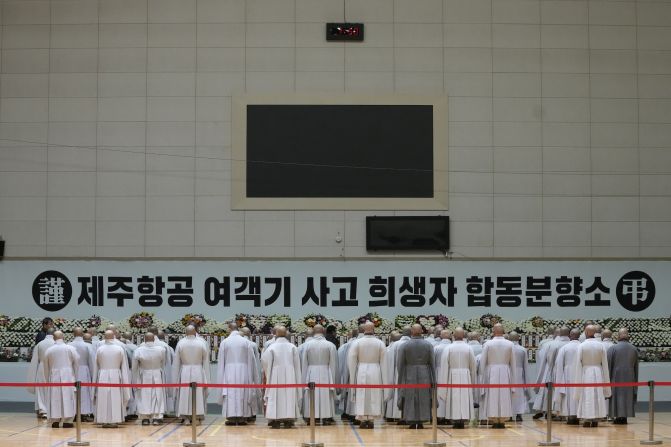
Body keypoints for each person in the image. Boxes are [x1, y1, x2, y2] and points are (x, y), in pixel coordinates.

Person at [216, 324, 259, 426]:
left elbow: (221, 361)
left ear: (229, 329)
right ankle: (242, 417)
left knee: (230, 393)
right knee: (242, 392)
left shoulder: (225, 342)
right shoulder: (245, 342)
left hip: (228, 370)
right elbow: (251, 360)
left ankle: (231, 417)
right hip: (244, 370)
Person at [261, 326, 302, 429]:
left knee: (276, 396)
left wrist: (270, 371)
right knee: (289, 395)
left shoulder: (272, 347)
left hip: (275, 375)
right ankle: (289, 420)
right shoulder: (292, 347)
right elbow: (297, 364)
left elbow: (265, 361)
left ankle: (275, 420)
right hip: (290, 374)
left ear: (276, 334)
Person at [348, 321, 386, 429]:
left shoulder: (357, 343)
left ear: (364, 329)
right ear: (374, 329)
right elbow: (384, 362)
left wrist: (353, 374)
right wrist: (384, 378)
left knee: (361, 394)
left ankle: (363, 419)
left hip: (361, 370)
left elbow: (351, 360)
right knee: (374, 394)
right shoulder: (380, 343)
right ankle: (372, 419)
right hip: (376, 371)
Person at [437, 328, 477, 429]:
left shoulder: (449, 348)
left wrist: (443, 382)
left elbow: (444, 365)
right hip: (465, 376)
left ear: (453, 335)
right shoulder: (469, 348)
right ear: (463, 336)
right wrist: (472, 379)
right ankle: (463, 419)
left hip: (452, 376)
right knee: (464, 397)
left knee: (453, 398)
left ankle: (455, 419)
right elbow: (473, 366)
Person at [479, 323, 517, 429]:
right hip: (505, 371)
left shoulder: (488, 344)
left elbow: (482, 362)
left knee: (492, 395)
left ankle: (495, 419)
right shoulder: (510, 344)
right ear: (503, 331)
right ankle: (503, 419)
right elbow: (513, 363)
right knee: (504, 395)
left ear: (493, 331)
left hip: (492, 371)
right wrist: (513, 380)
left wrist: (482, 376)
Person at [397, 324, 434, 429]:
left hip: (409, 373)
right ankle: (422, 419)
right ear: (422, 331)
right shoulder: (428, 345)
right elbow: (432, 363)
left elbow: (400, 364)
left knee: (410, 397)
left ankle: (411, 420)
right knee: (424, 397)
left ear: (411, 332)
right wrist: (433, 380)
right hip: (425, 373)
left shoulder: (405, 345)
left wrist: (401, 378)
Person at [574, 324, 611, 427]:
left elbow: (578, 364)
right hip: (598, 372)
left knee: (587, 395)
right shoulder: (601, 345)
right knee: (597, 395)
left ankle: (587, 419)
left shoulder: (581, 345)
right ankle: (596, 419)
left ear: (585, 333)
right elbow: (605, 364)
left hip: (586, 373)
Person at [93, 330, 131, 428]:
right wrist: (124, 380)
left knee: (103, 397)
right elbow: (124, 367)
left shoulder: (100, 349)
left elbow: (95, 367)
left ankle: (104, 419)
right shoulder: (119, 349)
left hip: (102, 375)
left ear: (104, 337)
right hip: (116, 376)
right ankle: (115, 419)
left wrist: (95, 380)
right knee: (115, 397)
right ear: (113, 337)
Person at [301, 324, 337, 425]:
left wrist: (304, 379)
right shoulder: (330, 345)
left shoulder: (307, 345)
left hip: (311, 371)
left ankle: (312, 416)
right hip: (326, 371)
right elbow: (333, 364)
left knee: (312, 394)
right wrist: (333, 379)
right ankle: (326, 417)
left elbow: (304, 363)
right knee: (326, 394)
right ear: (324, 332)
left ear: (313, 332)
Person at [174, 325, 210, 425]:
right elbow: (206, 361)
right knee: (198, 394)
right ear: (195, 332)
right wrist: (207, 377)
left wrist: (176, 377)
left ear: (186, 332)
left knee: (185, 394)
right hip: (198, 370)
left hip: (185, 370)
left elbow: (176, 362)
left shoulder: (181, 343)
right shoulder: (201, 343)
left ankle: (185, 417)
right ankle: (197, 417)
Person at [532, 327, 569, 419]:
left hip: (553, 371)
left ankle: (550, 410)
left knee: (550, 392)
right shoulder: (573, 344)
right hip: (569, 373)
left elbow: (544, 359)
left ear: (556, 334)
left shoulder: (550, 344)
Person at [44, 331, 79, 428]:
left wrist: (48, 379)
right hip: (68, 375)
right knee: (68, 397)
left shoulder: (49, 350)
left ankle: (55, 420)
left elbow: (46, 367)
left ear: (54, 338)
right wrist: (75, 376)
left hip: (53, 376)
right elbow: (76, 363)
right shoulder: (70, 348)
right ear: (63, 337)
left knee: (55, 398)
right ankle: (67, 420)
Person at [132, 332, 166, 426]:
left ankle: (145, 418)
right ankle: (156, 417)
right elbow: (163, 363)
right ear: (154, 339)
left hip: (144, 374)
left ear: (144, 339)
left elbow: (134, 367)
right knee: (157, 395)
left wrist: (135, 378)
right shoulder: (161, 349)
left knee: (144, 396)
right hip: (157, 373)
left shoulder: (138, 350)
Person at [607, 328, 638, 424]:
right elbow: (636, 367)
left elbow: (608, 365)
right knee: (627, 396)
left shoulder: (612, 348)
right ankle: (624, 417)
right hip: (630, 376)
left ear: (618, 336)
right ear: (628, 336)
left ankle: (617, 416)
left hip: (615, 376)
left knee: (617, 396)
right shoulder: (634, 349)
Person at [553, 328, 581, 425]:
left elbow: (558, 364)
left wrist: (559, 378)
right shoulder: (582, 346)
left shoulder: (565, 348)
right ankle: (579, 415)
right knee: (579, 395)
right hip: (580, 374)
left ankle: (570, 416)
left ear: (570, 336)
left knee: (569, 396)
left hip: (567, 373)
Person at [27, 326, 56, 419]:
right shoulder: (55, 343)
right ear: (54, 334)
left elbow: (35, 359)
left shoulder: (40, 343)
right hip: (53, 367)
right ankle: (53, 410)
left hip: (41, 367)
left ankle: (42, 410)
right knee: (52, 388)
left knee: (41, 389)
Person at [69, 327, 95, 422]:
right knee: (84, 393)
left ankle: (73, 413)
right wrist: (93, 374)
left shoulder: (69, 345)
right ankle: (83, 414)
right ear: (82, 334)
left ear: (73, 334)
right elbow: (92, 361)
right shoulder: (87, 346)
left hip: (71, 371)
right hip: (84, 370)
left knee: (73, 393)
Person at [336, 328, 358, 422]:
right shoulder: (353, 345)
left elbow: (341, 363)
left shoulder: (343, 347)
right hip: (356, 372)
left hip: (347, 372)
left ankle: (346, 412)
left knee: (348, 393)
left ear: (349, 336)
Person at [383, 330, 404, 422]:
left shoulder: (389, 348)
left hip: (394, 372)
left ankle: (391, 413)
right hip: (403, 372)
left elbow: (389, 363)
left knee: (393, 393)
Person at [509, 331, 530, 422]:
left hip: (509, 373)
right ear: (518, 338)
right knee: (520, 395)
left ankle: (509, 414)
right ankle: (519, 414)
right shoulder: (522, 349)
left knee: (509, 394)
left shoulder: (508, 347)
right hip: (519, 373)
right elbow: (525, 365)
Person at [433, 329, 452, 425]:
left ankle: (439, 416)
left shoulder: (436, 347)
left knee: (439, 394)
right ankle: (450, 415)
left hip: (438, 372)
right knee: (450, 394)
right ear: (450, 336)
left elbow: (433, 362)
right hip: (450, 373)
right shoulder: (451, 347)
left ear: (440, 336)